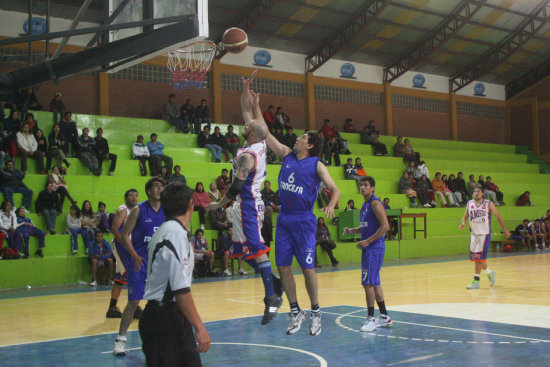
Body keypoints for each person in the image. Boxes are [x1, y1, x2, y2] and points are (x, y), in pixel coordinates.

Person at [251, 81, 340, 336]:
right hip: (285, 219)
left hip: (304, 220)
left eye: (303, 138)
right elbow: (265, 133)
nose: (298, 138)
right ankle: (295, 310)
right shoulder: (288, 155)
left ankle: (316, 311)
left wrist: (331, 205)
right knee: (283, 267)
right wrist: (256, 105)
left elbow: (335, 189)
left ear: (309, 145)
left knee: (307, 268)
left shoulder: (316, 165)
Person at [206, 70, 282, 325]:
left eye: (248, 125)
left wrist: (218, 203)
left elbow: (237, 186)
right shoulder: (257, 142)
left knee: (257, 251)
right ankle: (273, 281)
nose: (245, 122)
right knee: (242, 251)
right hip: (243, 206)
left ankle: (271, 296)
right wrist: (247, 91)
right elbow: (249, 113)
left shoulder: (249, 156)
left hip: (247, 205)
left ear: (252, 133)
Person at [139, 182, 210, 366]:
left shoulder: (175, 231)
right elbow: (181, 290)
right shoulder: (174, 234)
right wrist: (199, 327)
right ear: (190, 206)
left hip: (173, 317)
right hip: (163, 320)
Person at [113, 177, 166, 356]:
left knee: (161, 303)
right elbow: (125, 235)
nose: (160, 189)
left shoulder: (167, 210)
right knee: (134, 302)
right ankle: (120, 340)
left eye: (162, 186)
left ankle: (159, 338)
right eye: (156, 186)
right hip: (139, 262)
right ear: (149, 191)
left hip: (159, 264)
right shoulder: (138, 210)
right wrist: (134, 255)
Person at [343, 176, 391, 332]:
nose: (362, 187)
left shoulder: (375, 204)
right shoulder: (364, 205)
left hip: (374, 248)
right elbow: (366, 226)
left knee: (368, 283)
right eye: (361, 185)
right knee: (375, 282)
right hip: (369, 248)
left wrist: (368, 242)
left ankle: (371, 319)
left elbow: (385, 227)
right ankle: (384, 316)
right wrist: (352, 230)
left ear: (373, 188)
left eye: (365, 185)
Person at [460, 187, 510, 289]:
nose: (476, 193)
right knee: (477, 259)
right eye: (474, 191)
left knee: (478, 259)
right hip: (474, 235)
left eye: (478, 191)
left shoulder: (488, 204)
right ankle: (489, 272)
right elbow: (465, 216)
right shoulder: (470, 203)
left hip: (484, 235)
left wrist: (505, 230)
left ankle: (476, 281)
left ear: (483, 193)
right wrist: (463, 223)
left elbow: (498, 217)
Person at [106, 189, 139, 318]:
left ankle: (113, 308)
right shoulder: (122, 210)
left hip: (129, 246)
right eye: (131, 196)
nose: (134, 198)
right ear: (125, 198)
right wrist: (125, 244)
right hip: (120, 246)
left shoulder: (136, 210)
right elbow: (114, 229)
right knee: (130, 274)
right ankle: (133, 307)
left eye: (136, 196)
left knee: (122, 276)